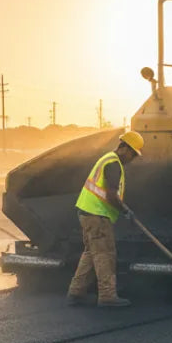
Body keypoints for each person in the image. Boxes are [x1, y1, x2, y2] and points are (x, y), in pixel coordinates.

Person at [68, 130, 144, 306]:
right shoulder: (113, 163)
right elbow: (111, 195)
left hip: (87, 213)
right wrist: (125, 211)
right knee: (105, 255)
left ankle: (76, 292)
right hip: (97, 215)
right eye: (133, 154)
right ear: (124, 147)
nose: (132, 158)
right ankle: (107, 295)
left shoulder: (108, 159)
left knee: (91, 254)